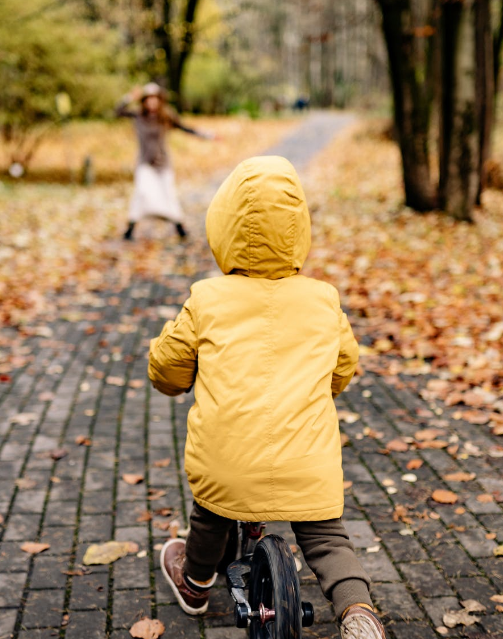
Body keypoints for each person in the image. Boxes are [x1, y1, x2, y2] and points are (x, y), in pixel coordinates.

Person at [148, 156, 385, 639]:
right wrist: (325, 387)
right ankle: (358, 612)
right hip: (307, 460)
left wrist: (176, 378)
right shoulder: (322, 298)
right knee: (325, 535)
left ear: (222, 227)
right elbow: (344, 366)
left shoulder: (207, 299)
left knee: (211, 513)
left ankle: (194, 584)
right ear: (299, 229)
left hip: (228, 458)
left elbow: (167, 367)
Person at [115, 82, 213, 241]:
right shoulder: (139, 116)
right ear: (144, 101)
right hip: (144, 162)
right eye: (149, 99)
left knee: (169, 194)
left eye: (155, 99)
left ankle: (179, 226)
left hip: (163, 163)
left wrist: (205, 135)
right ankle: (130, 229)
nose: (152, 102)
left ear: (160, 100)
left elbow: (184, 128)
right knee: (141, 192)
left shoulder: (166, 116)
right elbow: (118, 111)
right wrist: (129, 97)